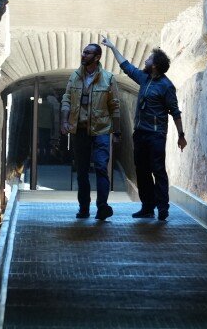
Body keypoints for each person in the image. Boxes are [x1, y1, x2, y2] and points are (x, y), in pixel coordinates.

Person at [101, 36, 186, 221]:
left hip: (156, 135)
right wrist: (112, 47)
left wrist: (181, 135)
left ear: (154, 65)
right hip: (140, 133)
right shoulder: (144, 78)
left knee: (158, 170)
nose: (145, 61)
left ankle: (163, 208)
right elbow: (126, 66)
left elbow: (175, 112)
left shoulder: (166, 86)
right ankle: (147, 207)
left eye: (148, 59)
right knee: (142, 170)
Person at [60, 43, 122, 219]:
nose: (83, 55)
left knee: (102, 167)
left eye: (88, 53)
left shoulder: (108, 78)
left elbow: (115, 106)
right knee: (81, 171)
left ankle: (102, 207)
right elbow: (66, 99)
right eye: (83, 52)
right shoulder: (74, 77)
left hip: (101, 130)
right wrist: (64, 121)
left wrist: (116, 132)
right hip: (79, 130)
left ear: (97, 57)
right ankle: (84, 208)